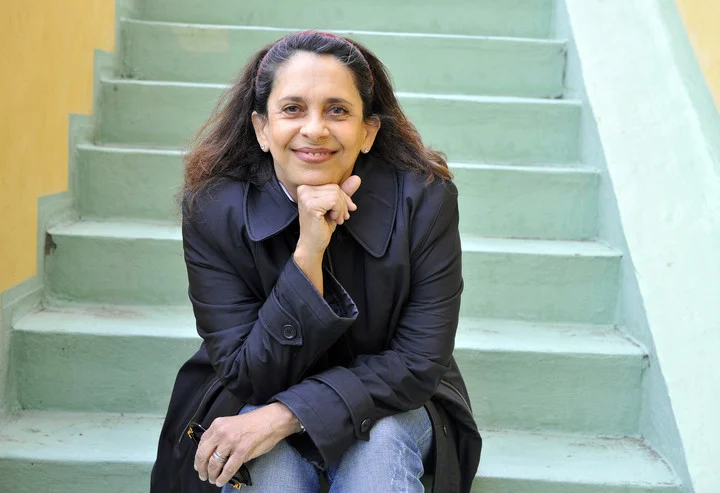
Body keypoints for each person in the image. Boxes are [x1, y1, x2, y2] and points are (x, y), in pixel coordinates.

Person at [150, 30, 481, 493]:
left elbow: (418, 363)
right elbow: (248, 376)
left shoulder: (425, 200)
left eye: (337, 110)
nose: (315, 129)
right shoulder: (213, 208)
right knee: (267, 466)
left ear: (368, 132)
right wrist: (308, 253)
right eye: (292, 109)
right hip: (255, 391)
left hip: (398, 403)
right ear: (262, 128)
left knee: (379, 445)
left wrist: (287, 415)